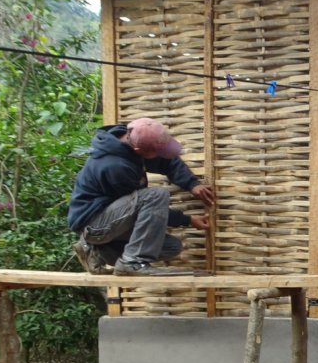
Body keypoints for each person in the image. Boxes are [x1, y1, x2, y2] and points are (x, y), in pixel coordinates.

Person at [67, 118, 215, 276]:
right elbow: (145, 209)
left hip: (115, 221)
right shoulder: (115, 166)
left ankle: (98, 251)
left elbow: (166, 162)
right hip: (96, 225)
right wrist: (187, 220)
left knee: (170, 246)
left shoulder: (133, 139)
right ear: (139, 150)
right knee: (156, 195)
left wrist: (192, 184)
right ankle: (131, 262)